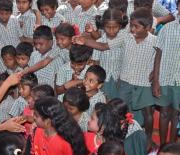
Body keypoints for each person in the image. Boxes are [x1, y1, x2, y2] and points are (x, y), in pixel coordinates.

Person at [74, 8, 160, 143]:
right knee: (118, 110)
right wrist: (84, 41)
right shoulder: (125, 38)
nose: (132, 29)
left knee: (146, 111)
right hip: (117, 80)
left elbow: (160, 56)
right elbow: (102, 47)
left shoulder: (154, 40)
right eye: (131, 25)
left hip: (135, 81)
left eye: (136, 26)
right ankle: (119, 134)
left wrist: (155, 73)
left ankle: (145, 138)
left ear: (148, 28)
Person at [154, 0, 180, 144]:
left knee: (176, 114)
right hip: (164, 78)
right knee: (164, 112)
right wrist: (156, 80)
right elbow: (158, 54)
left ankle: (172, 146)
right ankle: (163, 146)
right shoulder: (167, 28)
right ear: (178, 6)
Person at [91, 9, 128, 100]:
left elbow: (126, 60)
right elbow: (96, 63)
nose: (111, 31)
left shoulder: (124, 40)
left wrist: (123, 76)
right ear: (103, 26)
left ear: (120, 26)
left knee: (118, 103)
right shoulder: (99, 43)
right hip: (104, 80)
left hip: (120, 78)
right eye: (108, 27)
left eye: (115, 27)